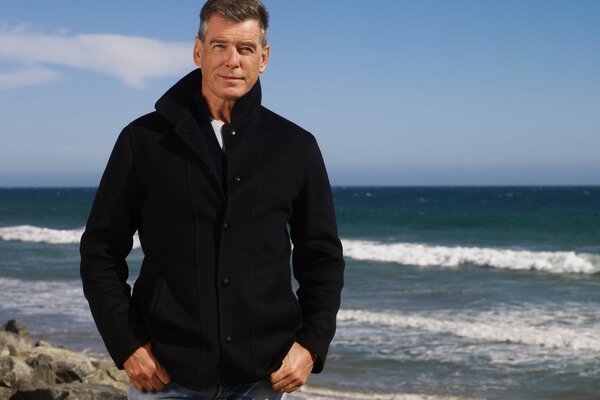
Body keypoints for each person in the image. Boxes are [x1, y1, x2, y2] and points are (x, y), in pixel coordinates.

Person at [79, 0, 344, 399]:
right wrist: (127, 344)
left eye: (245, 49)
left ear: (264, 58)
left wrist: (310, 346)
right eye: (219, 46)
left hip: (263, 380)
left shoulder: (297, 147)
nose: (232, 61)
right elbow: (100, 249)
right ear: (198, 51)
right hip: (166, 377)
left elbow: (321, 257)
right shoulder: (143, 140)